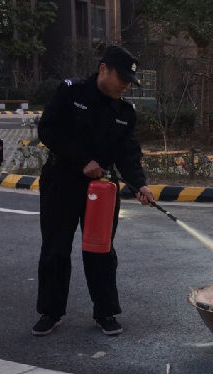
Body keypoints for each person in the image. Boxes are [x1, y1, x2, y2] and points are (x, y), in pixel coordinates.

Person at [32, 45, 155, 337]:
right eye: (121, 78)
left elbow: (128, 152)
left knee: (101, 249)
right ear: (103, 69)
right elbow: (49, 130)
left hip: (101, 190)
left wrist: (139, 184)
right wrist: (81, 161)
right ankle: (51, 312)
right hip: (62, 180)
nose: (125, 85)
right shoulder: (71, 93)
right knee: (56, 248)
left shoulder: (125, 112)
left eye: (129, 81)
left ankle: (105, 311)